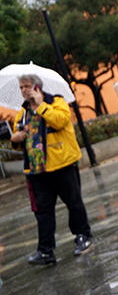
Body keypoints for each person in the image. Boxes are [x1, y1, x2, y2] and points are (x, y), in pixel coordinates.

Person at [10, 74, 93, 265]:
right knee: (43, 211)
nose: (23, 91)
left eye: (26, 86)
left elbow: (61, 121)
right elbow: (17, 134)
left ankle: (83, 236)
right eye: (21, 87)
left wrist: (41, 105)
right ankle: (45, 250)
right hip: (36, 170)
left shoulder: (56, 102)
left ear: (37, 87)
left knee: (74, 203)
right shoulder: (22, 112)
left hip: (62, 164)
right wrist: (15, 139)